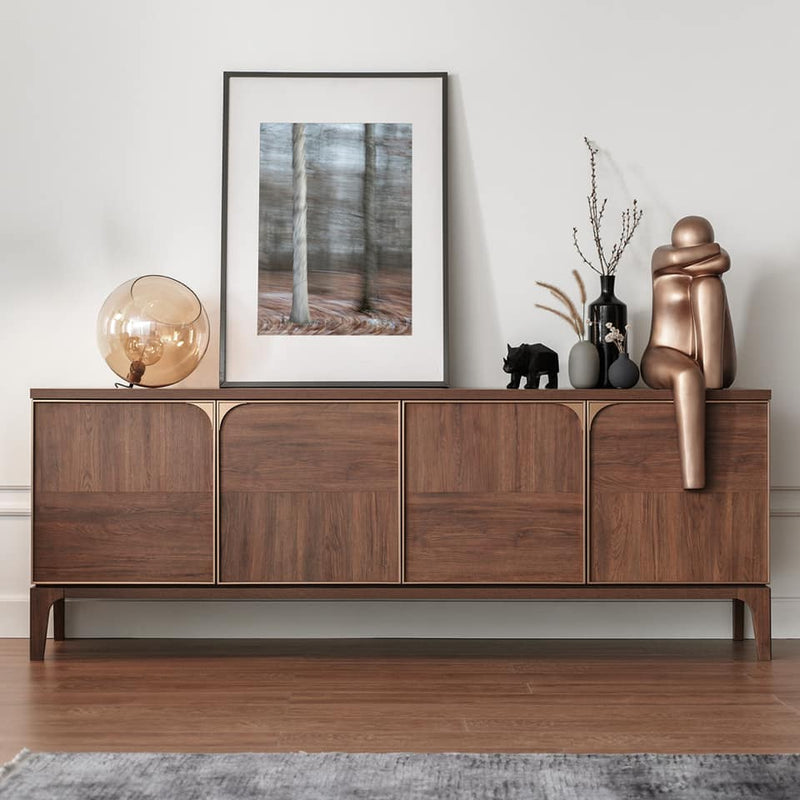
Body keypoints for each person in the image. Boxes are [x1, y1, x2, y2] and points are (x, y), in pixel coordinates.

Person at [641, 216, 737, 489]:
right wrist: (713, 250)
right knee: (686, 374)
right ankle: (694, 478)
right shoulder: (661, 257)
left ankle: (713, 376)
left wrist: (712, 258)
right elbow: (719, 256)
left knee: (709, 284)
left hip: (713, 361)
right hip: (662, 354)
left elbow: (724, 261)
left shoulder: (708, 273)